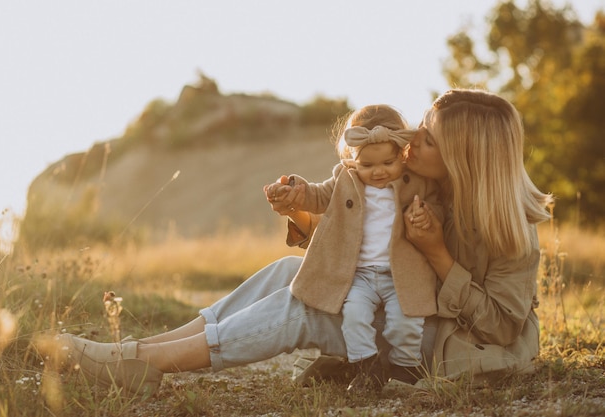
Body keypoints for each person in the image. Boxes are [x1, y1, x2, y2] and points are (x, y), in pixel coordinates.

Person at [37, 88, 552, 397]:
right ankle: (133, 353)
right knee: (291, 275)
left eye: (430, 138)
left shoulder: (509, 229)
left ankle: (142, 365)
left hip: (446, 349)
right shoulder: (421, 187)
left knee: (301, 308)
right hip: (407, 311)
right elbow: (361, 253)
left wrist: (438, 253)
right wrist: (303, 209)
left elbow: (503, 326)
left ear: (466, 156)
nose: (412, 140)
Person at [272, 104, 441, 393]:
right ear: (352, 159)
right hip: (360, 275)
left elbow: (438, 206)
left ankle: (405, 369)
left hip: (401, 274)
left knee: (407, 321)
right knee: (354, 319)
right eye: (367, 165)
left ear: (402, 153)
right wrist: (297, 193)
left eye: (388, 163)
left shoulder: (416, 183)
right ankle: (366, 367)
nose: (378, 172)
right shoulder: (345, 180)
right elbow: (317, 195)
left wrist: (427, 214)